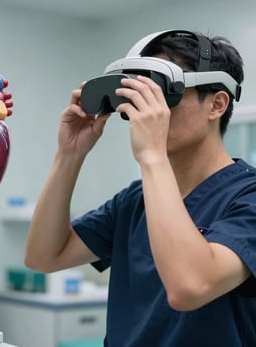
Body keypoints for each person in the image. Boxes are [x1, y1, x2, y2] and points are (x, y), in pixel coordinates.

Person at [24, 30, 256, 346]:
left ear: (216, 105)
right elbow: (43, 257)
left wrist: (151, 155)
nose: (145, 111)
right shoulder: (135, 200)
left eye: (161, 92)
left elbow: (189, 286)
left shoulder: (247, 196)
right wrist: (69, 155)